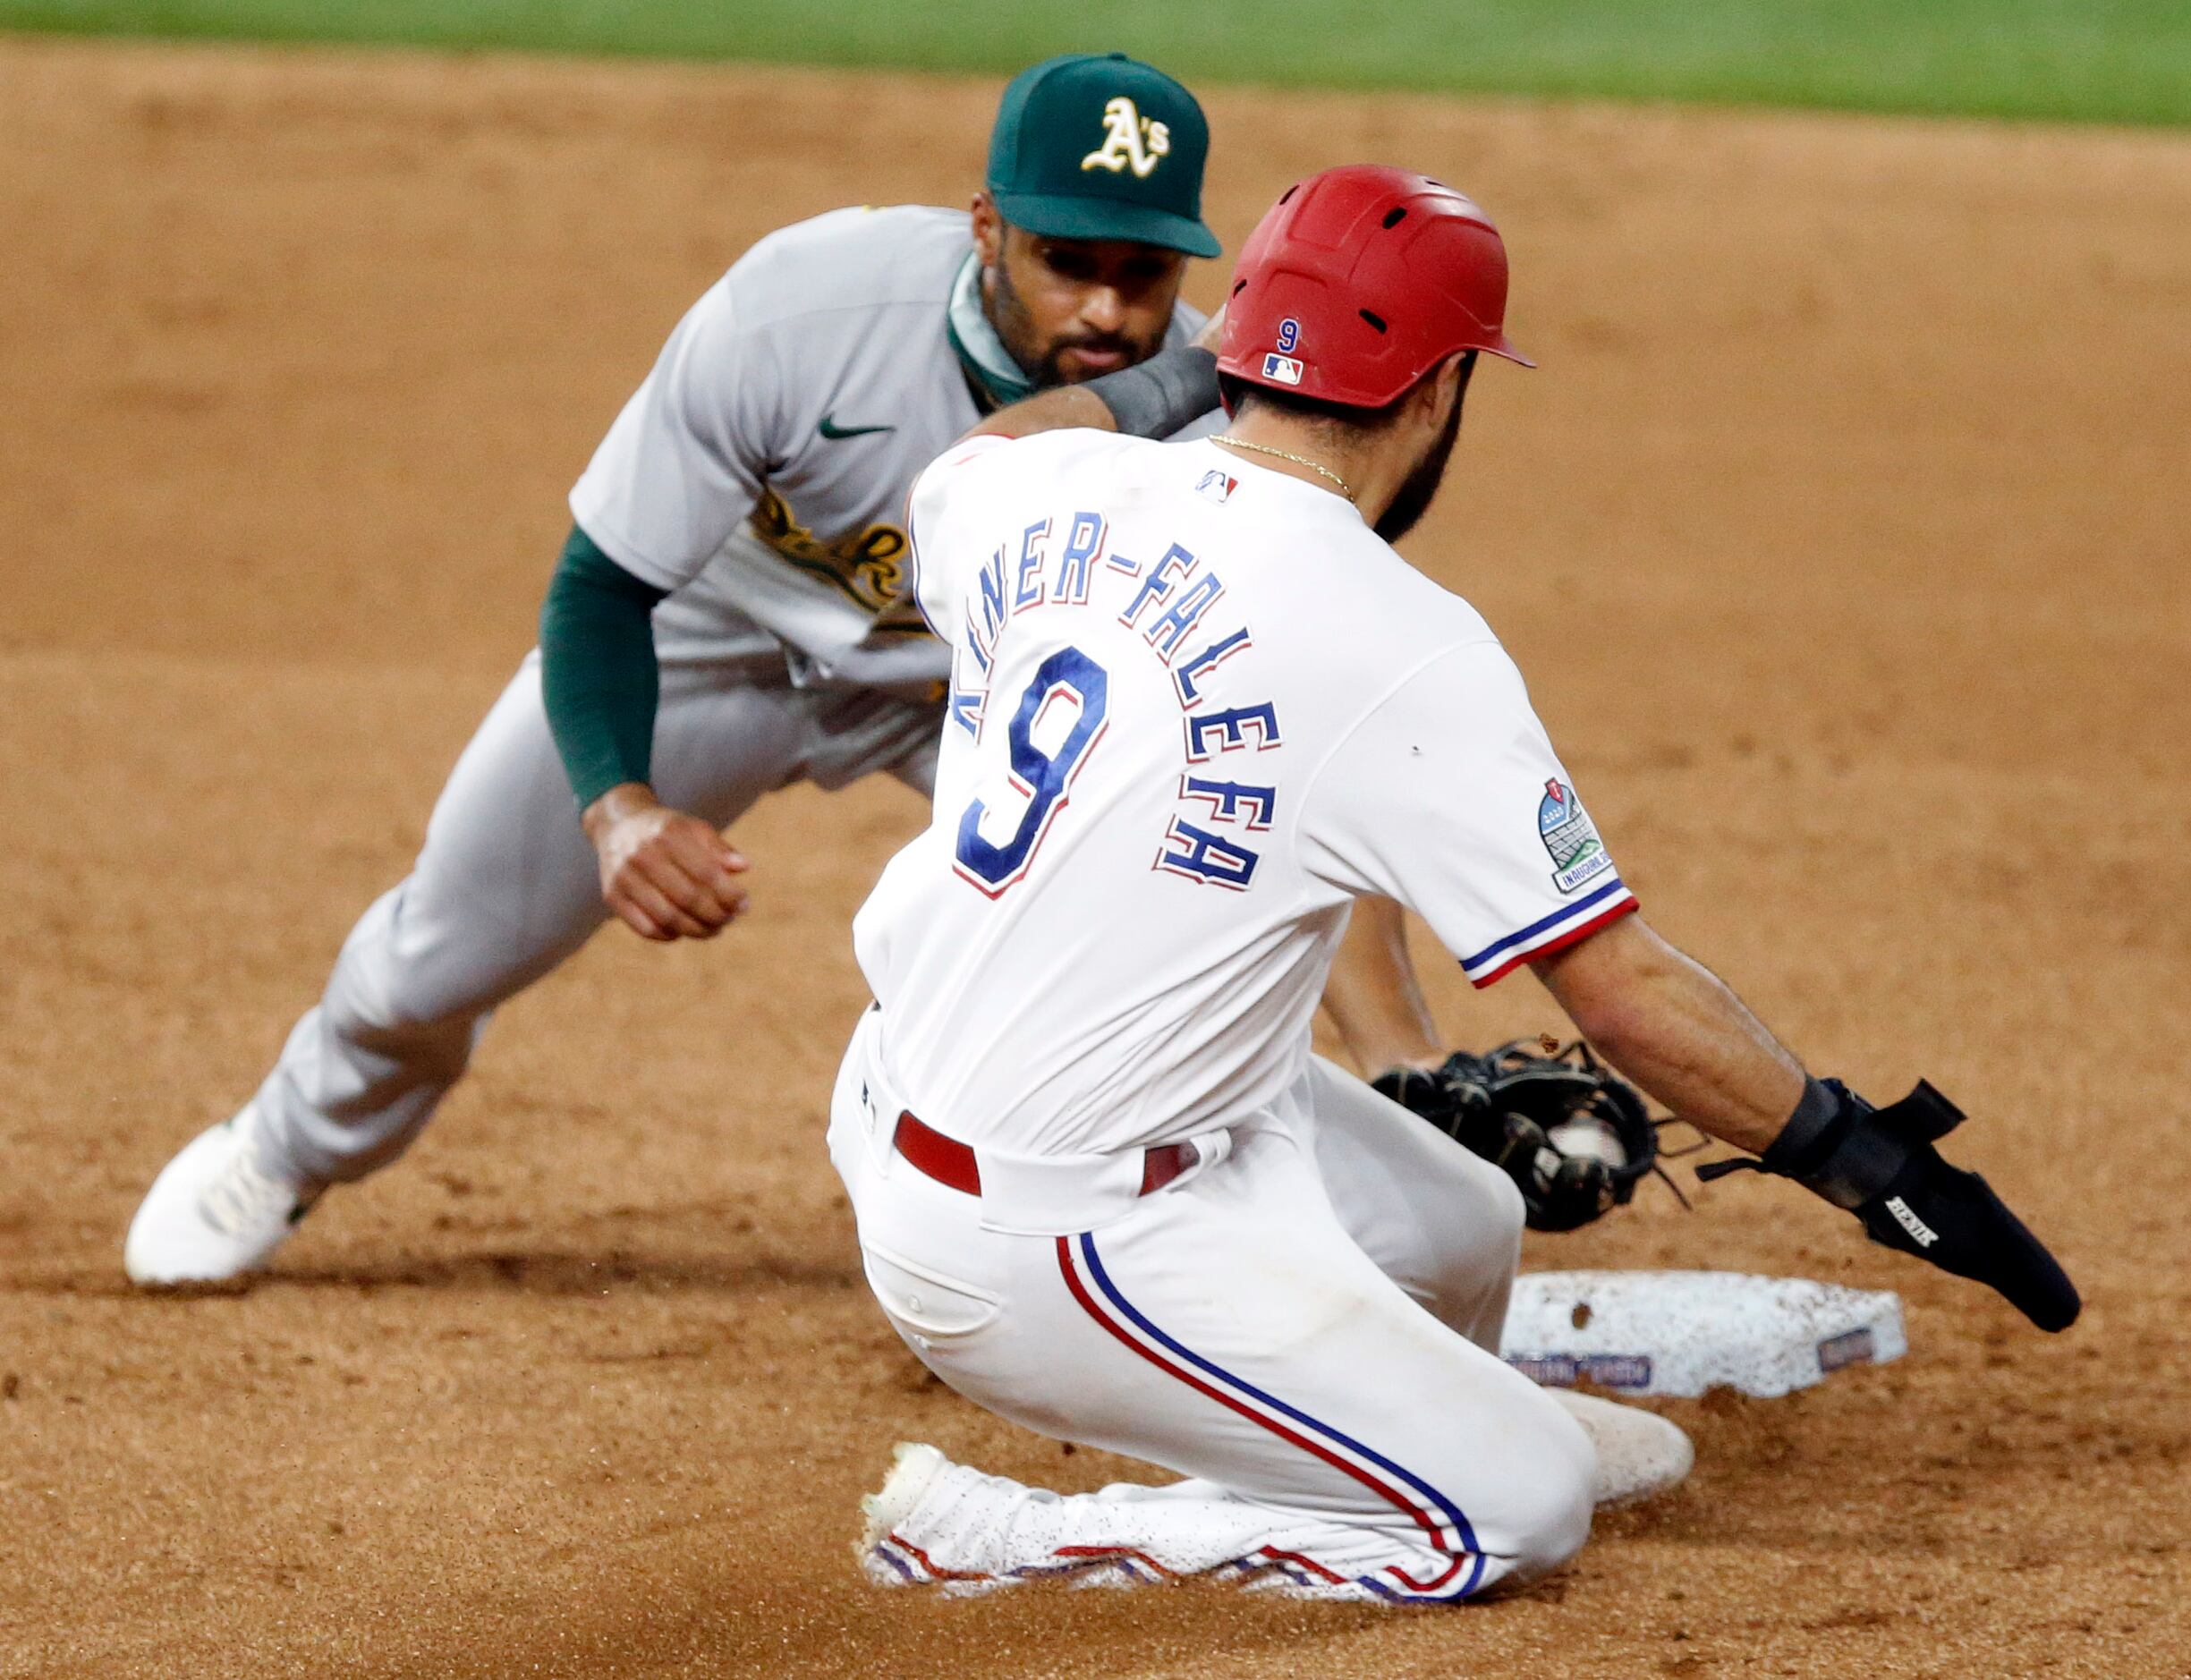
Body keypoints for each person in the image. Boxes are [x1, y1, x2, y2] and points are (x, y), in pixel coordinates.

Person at [831, 165, 2079, 1599]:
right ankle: (1006, 1534)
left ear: (1233, 345)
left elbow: (981, 447)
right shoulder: (1397, 642)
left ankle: (1351, 1439)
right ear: (1435, 395)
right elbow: (1616, 991)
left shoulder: (1042, 483)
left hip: (911, 1089)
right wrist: (1871, 1163)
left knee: (1462, 1222)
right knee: (1517, 1509)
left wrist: (1177, 380)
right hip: (1050, 1238)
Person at [123, 55, 1465, 1286]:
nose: (1109, 309)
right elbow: (603, 585)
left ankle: (1182, 1253)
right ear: (985, 226)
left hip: (977, 698)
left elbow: (1257, 739)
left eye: (1145, 270)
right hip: (717, 643)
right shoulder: (800, 313)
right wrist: (621, 807)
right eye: (1067, 261)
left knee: (1178, 927)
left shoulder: (1207, 409)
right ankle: (285, 1146)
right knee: (433, 955)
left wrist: (1404, 1059)